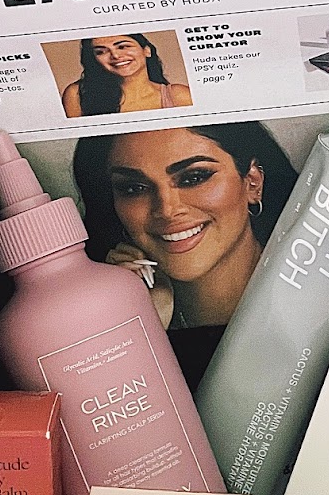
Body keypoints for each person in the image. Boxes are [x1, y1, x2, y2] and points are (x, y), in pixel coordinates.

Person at [72, 123, 297, 381]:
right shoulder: (106, 322)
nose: (167, 210)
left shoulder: (319, 296)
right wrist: (137, 327)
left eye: (194, 178)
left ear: (252, 183)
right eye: (134, 188)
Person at [61, 34, 192, 118]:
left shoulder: (178, 96)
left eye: (123, 46)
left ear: (147, 50)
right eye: (101, 52)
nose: (115, 55)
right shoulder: (77, 94)